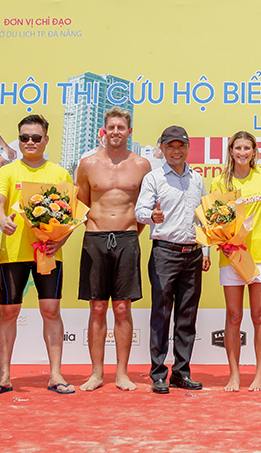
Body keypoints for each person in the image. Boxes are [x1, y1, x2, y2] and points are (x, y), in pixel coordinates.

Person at [0, 114, 75, 396]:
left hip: (47, 253)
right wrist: (1, 220)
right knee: (9, 312)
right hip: (13, 254)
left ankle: (56, 375)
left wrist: (59, 243)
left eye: (36, 137)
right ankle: (3, 377)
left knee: (51, 310)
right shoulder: (7, 172)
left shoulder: (60, 173)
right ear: (19, 140)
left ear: (46, 140)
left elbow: (70, 216)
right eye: (25, 138)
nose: (30, 142)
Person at [75, 108, 152, 392]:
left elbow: (143, 209)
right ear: (104, 131)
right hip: (95, 239)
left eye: (121, 127)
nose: (116, 132)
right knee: (97, 308)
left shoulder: (142, 165)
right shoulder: (88, 164)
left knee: (122, 308)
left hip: (127, 239)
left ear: (129, 132)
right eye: (111, 127)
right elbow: (80, 204)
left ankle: (122, 373)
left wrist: (130, 233)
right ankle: (96, 373)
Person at [135, 125, 211, 394]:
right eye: (170, 146)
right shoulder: (153, 178)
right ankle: (158, 373)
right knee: (161, 314)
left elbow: (205, 216)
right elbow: (140, 210)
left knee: (187, 316)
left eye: (180, 146)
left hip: (192, 253)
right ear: (162, 149)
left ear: (188, 148)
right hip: (164, 252)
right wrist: (150, 217)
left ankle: (181, 372)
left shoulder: (198, 179)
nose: (176, 151)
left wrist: (207, 251)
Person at [215, 131, 261, 392]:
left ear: (254, 151)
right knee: (234, 315)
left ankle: (260, 374)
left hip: (260, 255)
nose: (241, 152)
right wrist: (224, 243)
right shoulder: (220, 181)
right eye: (237, 148)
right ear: (231, 151)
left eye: (246, 148)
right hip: (232, 255)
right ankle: (234, 375)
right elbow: (216, 222)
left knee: (259, 315)